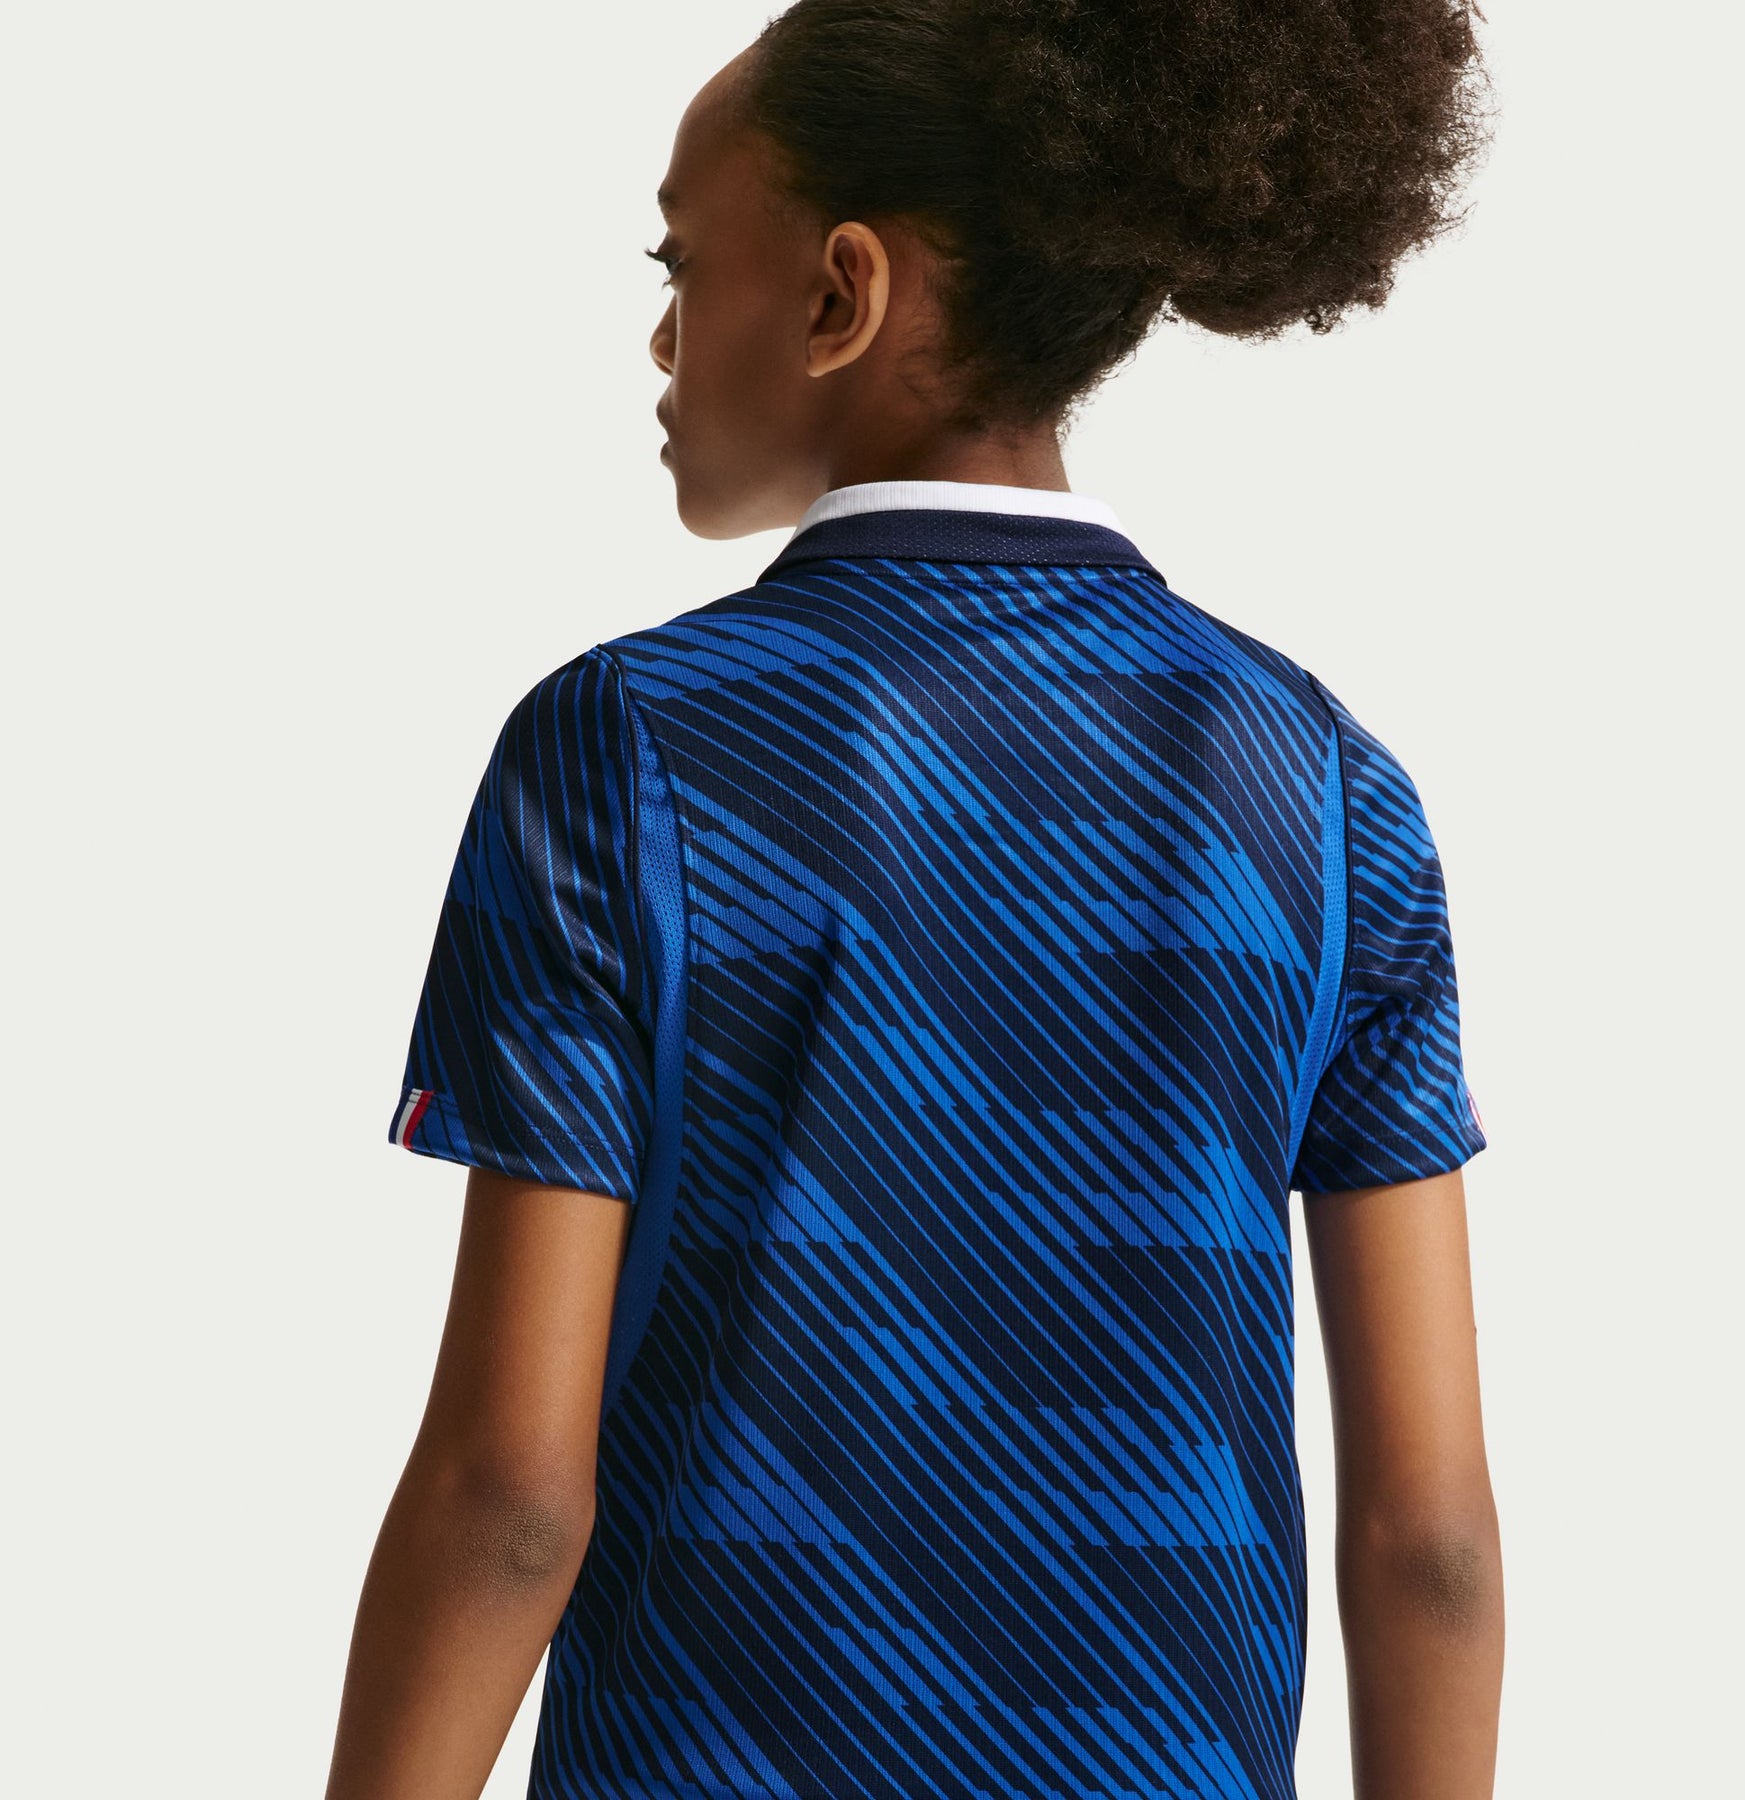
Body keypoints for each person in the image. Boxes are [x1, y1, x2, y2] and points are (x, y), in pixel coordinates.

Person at [325, 4, 1502, 1796]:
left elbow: (510, 1495)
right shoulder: (1332, 791)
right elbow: (1430, 1541)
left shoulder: (627, 749)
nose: (659, 335)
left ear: (839, 296)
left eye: (679, 263)